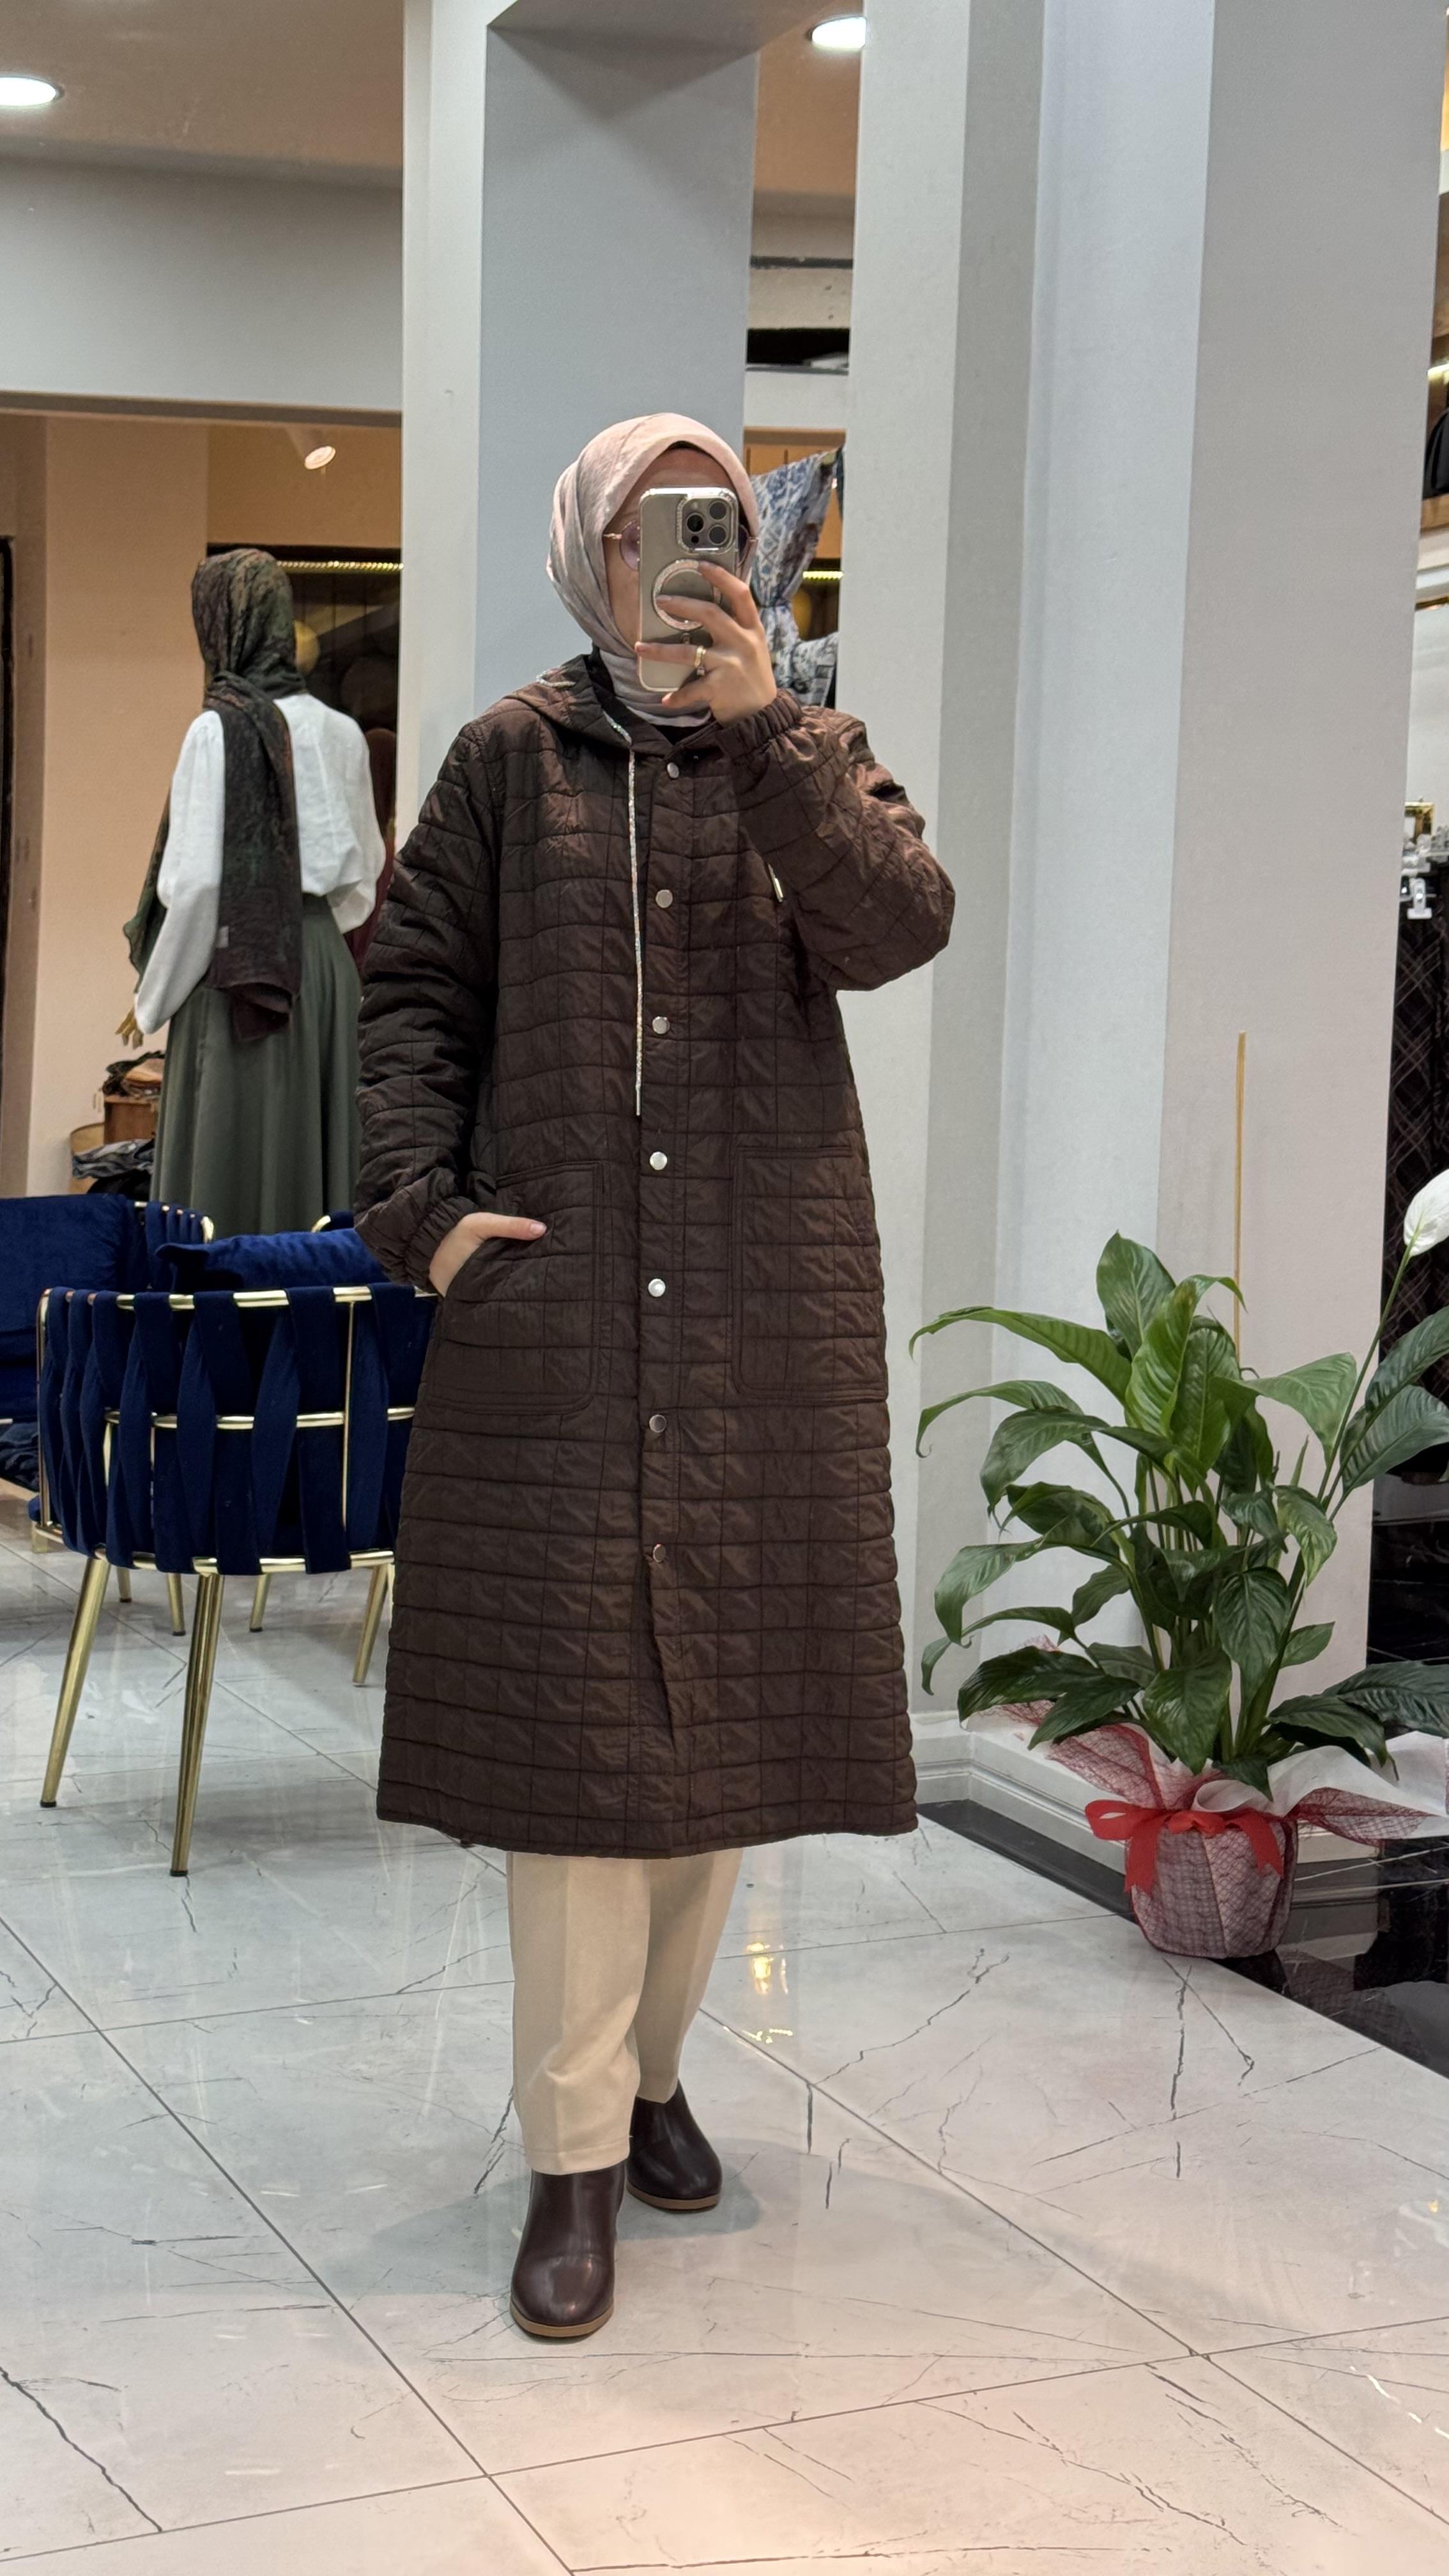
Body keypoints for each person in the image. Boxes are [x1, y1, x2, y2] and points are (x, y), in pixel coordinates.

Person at [354, 412, 954, 2342]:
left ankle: (653, 2075)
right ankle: (570, 2158)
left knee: (724, 1751)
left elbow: (900, 927)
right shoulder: (504, 761)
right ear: (585, 555)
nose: (679, 561)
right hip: (564, 1303)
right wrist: (423, 1218)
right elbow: (410, 997)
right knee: (579, 1759)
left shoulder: (815, 748)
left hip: (764, 1310)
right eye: (644, 528)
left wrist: (775, 733)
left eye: (709, 525)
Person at [125, 549, 385, 1236]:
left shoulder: (216, 729)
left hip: (237, 972)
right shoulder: (342, 732)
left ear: (220, 628)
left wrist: (152, 998)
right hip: (322, 970)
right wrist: (312, 936)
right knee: (316, 1193)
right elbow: (364, 877)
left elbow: (200, 886)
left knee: (225, 1185)